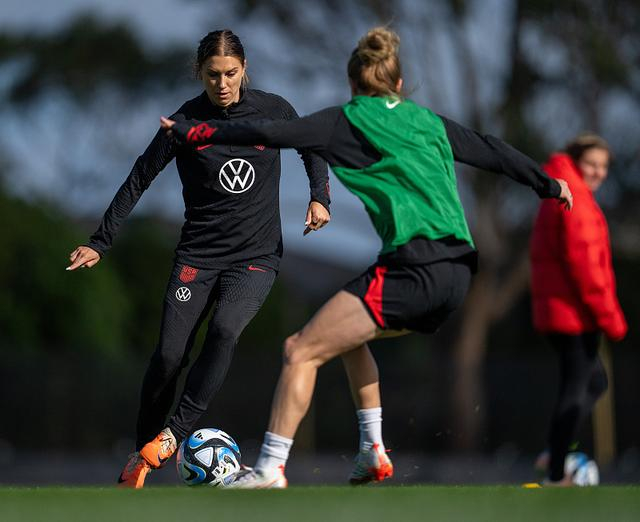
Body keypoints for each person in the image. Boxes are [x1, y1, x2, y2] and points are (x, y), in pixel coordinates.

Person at [161, 26, 573, 488]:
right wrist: (547, 183)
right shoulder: (427, 120)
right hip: (458, 273)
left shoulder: (345, 120)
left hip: (413, 268)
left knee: (300, 351)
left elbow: (266, 131)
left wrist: (195, 130)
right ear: (399, 84)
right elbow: (491, 150)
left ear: (352, 84)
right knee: (344, 336)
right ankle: (373, 452)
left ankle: (270, 468)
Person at [66, 29, 336, 488]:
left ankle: (174, 433)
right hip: (198, 258)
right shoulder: (183, 123)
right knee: (168, 358)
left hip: (255, 258)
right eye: (213, 75)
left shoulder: (274, 110)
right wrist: (100, 241)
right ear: (199, 73)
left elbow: (311, 144)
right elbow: (139, 178)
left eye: (231, 73)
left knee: (226, 330)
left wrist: (320, 197)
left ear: (244, 69)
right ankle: (141, 455)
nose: (222, 84)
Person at [529, 134, 627, 486]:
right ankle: (557, 471)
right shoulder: (574, 197)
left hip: (562, 309)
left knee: (592, 382)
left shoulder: (564, 188)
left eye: (603, 167)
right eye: (592, 164)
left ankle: (553, 453)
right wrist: (611, 319)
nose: (598, 172)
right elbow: (586, 267)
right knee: (578, 388)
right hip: (571, 313)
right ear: (576, 160)